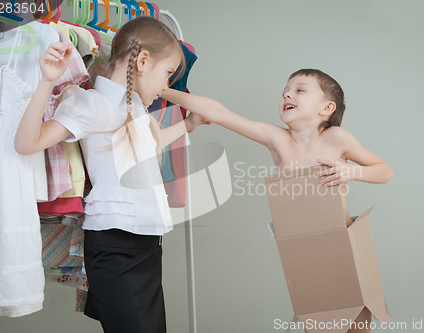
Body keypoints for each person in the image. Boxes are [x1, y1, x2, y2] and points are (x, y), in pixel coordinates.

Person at [15, 16, 209, 333]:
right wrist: (47, 81)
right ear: (144, 60)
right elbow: (27, 143)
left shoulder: (136, 109)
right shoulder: (91, 104)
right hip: (116, 248)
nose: (167, 85)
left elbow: (149, 147)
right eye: (168, 73)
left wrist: (188, 125)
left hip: (146, 246)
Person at [161, 68, 393, 333]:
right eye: (286, 89)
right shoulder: (278, 139)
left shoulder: (336, 138)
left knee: (355, 328)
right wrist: (162, 90)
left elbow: (384, 171)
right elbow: (221, 113)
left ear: (327, 107)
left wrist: (352, 171)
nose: (287, 93)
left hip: (344, 248)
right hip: (303, 253)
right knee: (316, 327)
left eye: (300, 89)